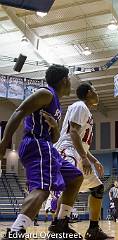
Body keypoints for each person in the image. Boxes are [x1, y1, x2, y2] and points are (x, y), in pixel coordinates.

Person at [0, 65, 84, 239]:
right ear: (64, 80)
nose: (71, 84)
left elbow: (54, 139)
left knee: (75, 177)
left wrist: (55, 126)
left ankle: (60, 224)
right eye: (70, 80)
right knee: (42, 189)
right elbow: (19, 111)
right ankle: (15, 232)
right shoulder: (46, 93)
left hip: (47, 146)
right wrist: (4, 142)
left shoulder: (56, 103)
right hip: (36, 143)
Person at [53, 82, 112, 240]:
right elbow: (73, 133)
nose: (97, 93)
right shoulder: (80, 106)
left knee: (97, 189)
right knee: (70, 184)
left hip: (78, 151)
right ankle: (58, 225)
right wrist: (85, 158)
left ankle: (93, 229)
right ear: (87, 93)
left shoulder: (85, 110)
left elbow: (81, 140)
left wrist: (93, 159)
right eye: (95, 90)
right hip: (68, 149)